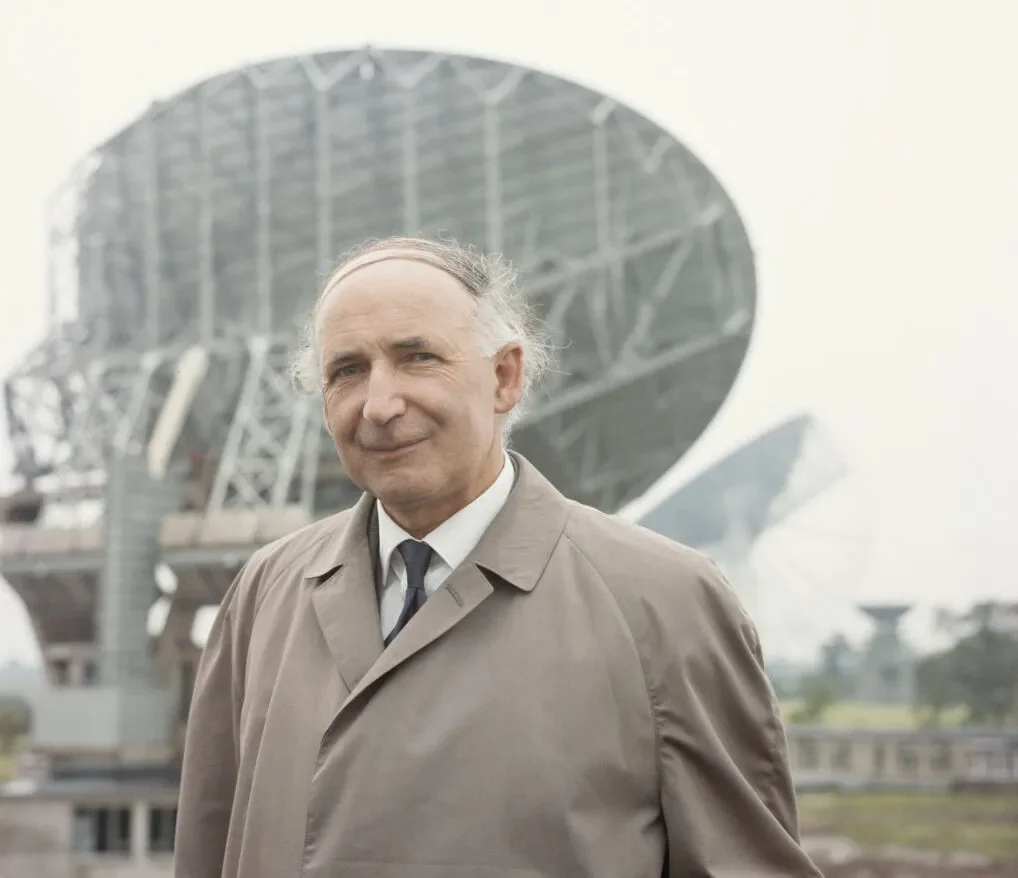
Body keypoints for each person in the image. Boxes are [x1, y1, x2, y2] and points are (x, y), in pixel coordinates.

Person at [174, 236, 821, 878]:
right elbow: (209, 841)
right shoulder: (267, 593)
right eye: (347, 370)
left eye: (417, 357)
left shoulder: (664, 602)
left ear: (505, 376)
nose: (379, 405)